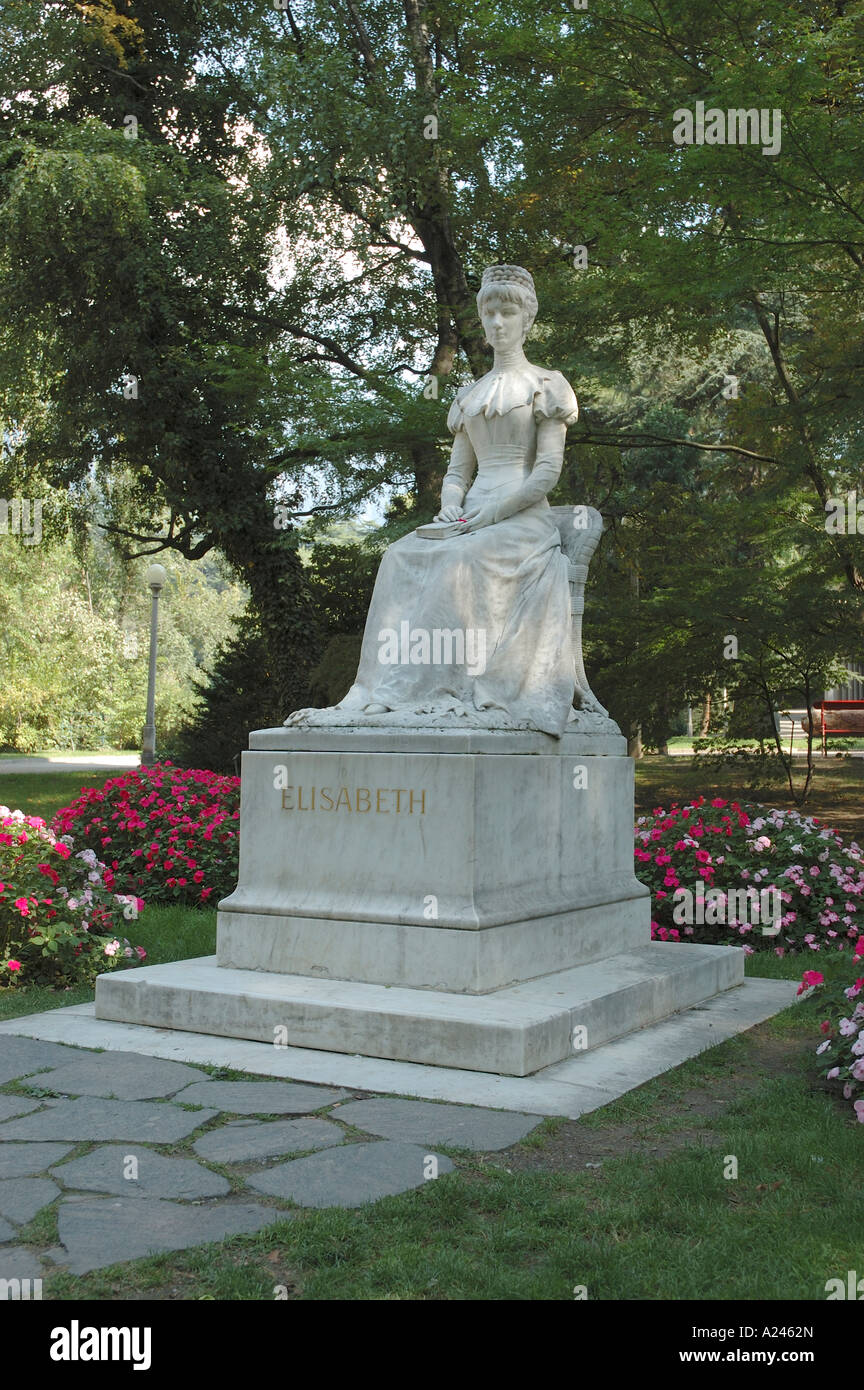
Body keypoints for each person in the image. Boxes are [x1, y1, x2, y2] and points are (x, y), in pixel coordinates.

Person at [288, 265, 581, 737]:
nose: (498, 323)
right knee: (399, 556)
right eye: (490, 313)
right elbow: (458, 472)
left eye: (508, 312)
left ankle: (414, 689)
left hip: (522, 521)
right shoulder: (470, 395)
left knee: (459, 560)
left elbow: (547, 472)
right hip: (469, 517)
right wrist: (450, 504)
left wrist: (493, 512)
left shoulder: (547, 385)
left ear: (527, 319)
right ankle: (378, 688)